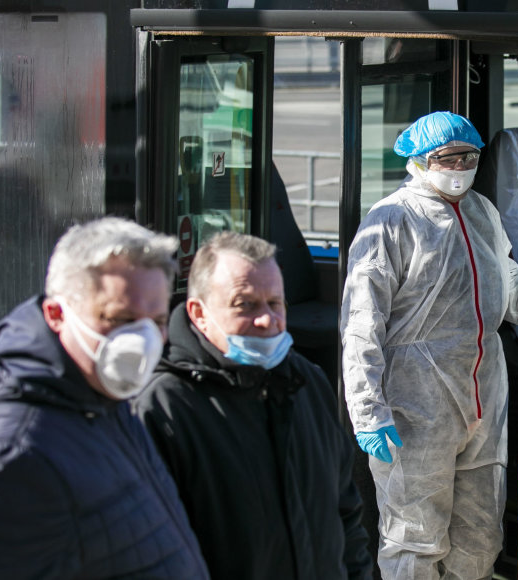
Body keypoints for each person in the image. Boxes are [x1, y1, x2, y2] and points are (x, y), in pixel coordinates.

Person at [0, 217, 209, 579]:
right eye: (119, 319)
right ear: (56, 314)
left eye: (157, 321)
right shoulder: (7, 452)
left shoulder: (97, 396)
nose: (142, 341)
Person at [341, 111, 518, 579]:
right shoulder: (391, 220)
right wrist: (368, 412)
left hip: (483, 403)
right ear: (421, 162)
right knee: (414, 541)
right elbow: (361, 323)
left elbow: (510, 288)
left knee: (480, 539)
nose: (461, 166)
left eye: (470, 156)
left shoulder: (482, 212)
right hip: (413, 411)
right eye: (449, 158)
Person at [132, 231, 372, 579]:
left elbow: (345, 515)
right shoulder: (163, 409)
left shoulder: (308, 383)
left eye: (275, 303)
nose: (267, 320)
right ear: (199, 313)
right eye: (246, 304)